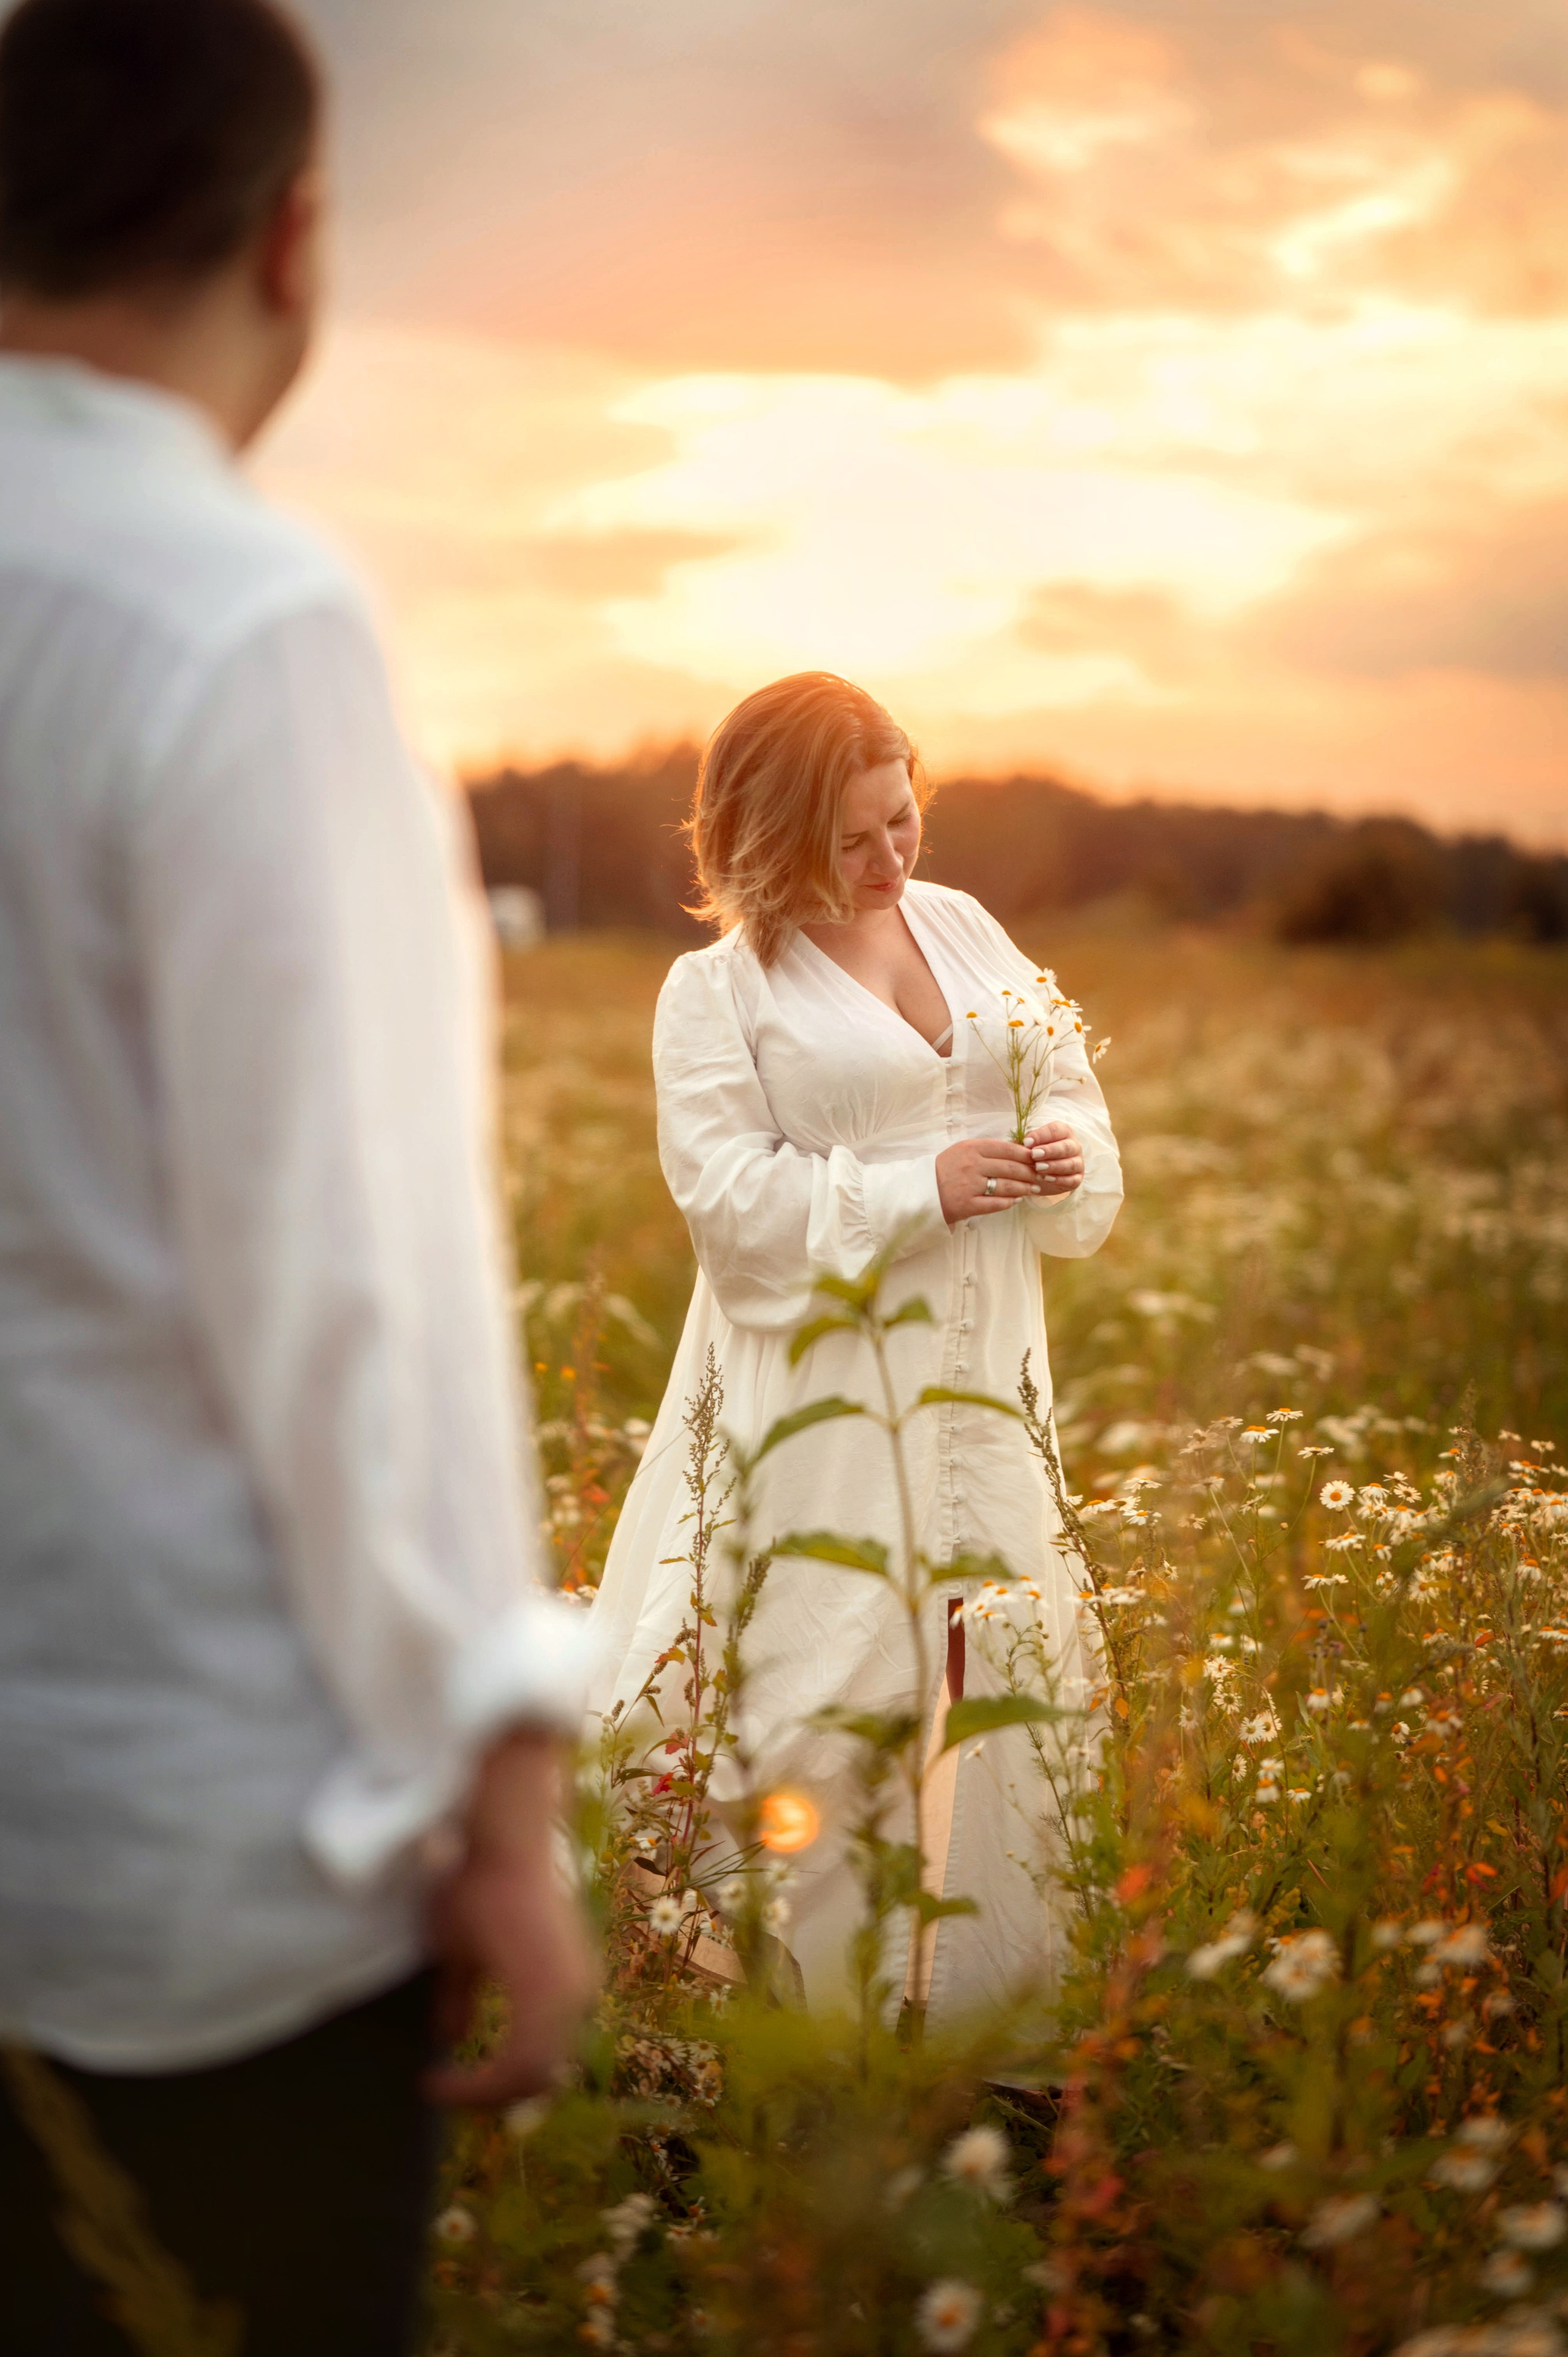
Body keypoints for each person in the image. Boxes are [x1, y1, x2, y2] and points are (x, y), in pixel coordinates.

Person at [0, 2, 595, 2348]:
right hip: (188, 1856)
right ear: (293, 233)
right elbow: (357, 1278)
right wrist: (500, 1779)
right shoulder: (241, 620)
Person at [589, 673, 1123, 2021]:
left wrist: (1065, 1153)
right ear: (769, 839)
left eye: (905, 820)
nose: (893, 860)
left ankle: (971, 2023)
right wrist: (914, 1186)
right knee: (829, 1684)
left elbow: (1065, 1076)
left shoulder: (961, 923)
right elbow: (728, 1210)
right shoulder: (716, 990)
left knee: (994, 1667)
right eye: (855, 838)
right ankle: (803, 2027)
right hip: (830, 1383)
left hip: (989, 1366)